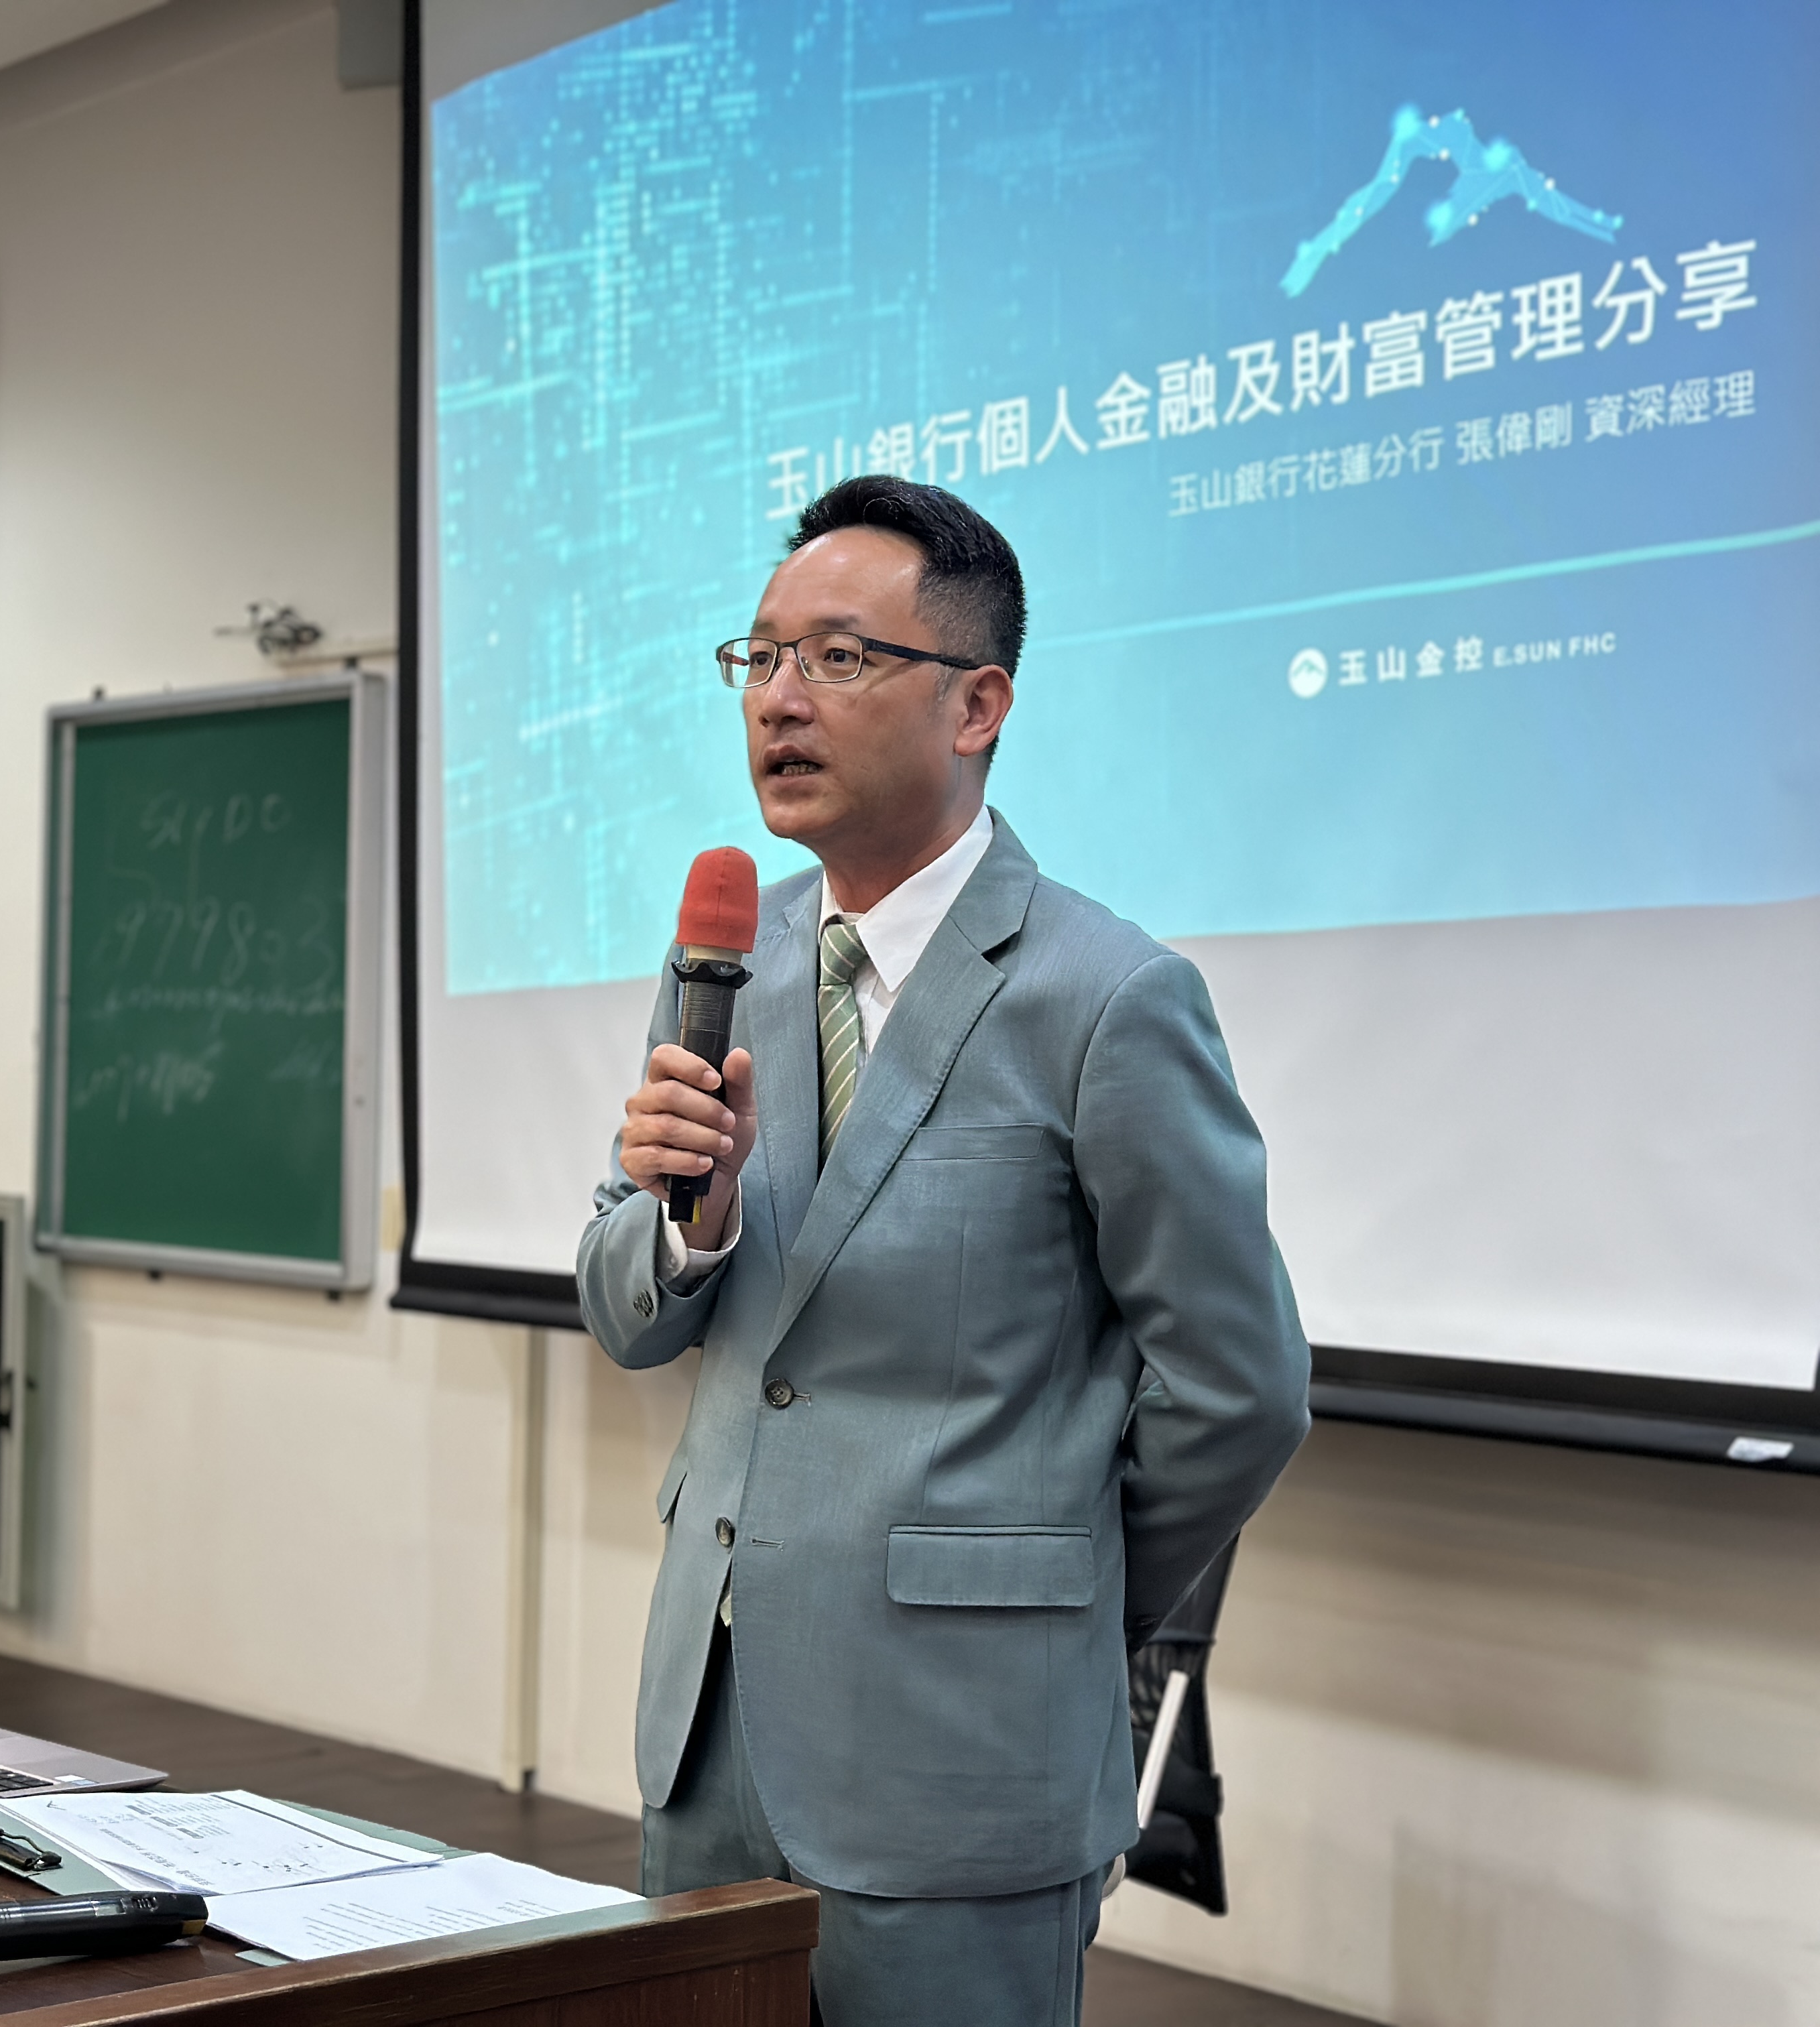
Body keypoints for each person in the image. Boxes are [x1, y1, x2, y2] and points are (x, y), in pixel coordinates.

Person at [575, 476, 1311, 2026]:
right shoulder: (730, 959)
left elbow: (1237, 1389)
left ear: (977, 704)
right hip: (710, 1740)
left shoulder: (1108, 998)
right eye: (760, 657)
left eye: (838, 658)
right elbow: (632, 1315)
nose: (779, 698)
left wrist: (1049, 1595)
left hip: (965, 1758)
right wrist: (691, 1227)